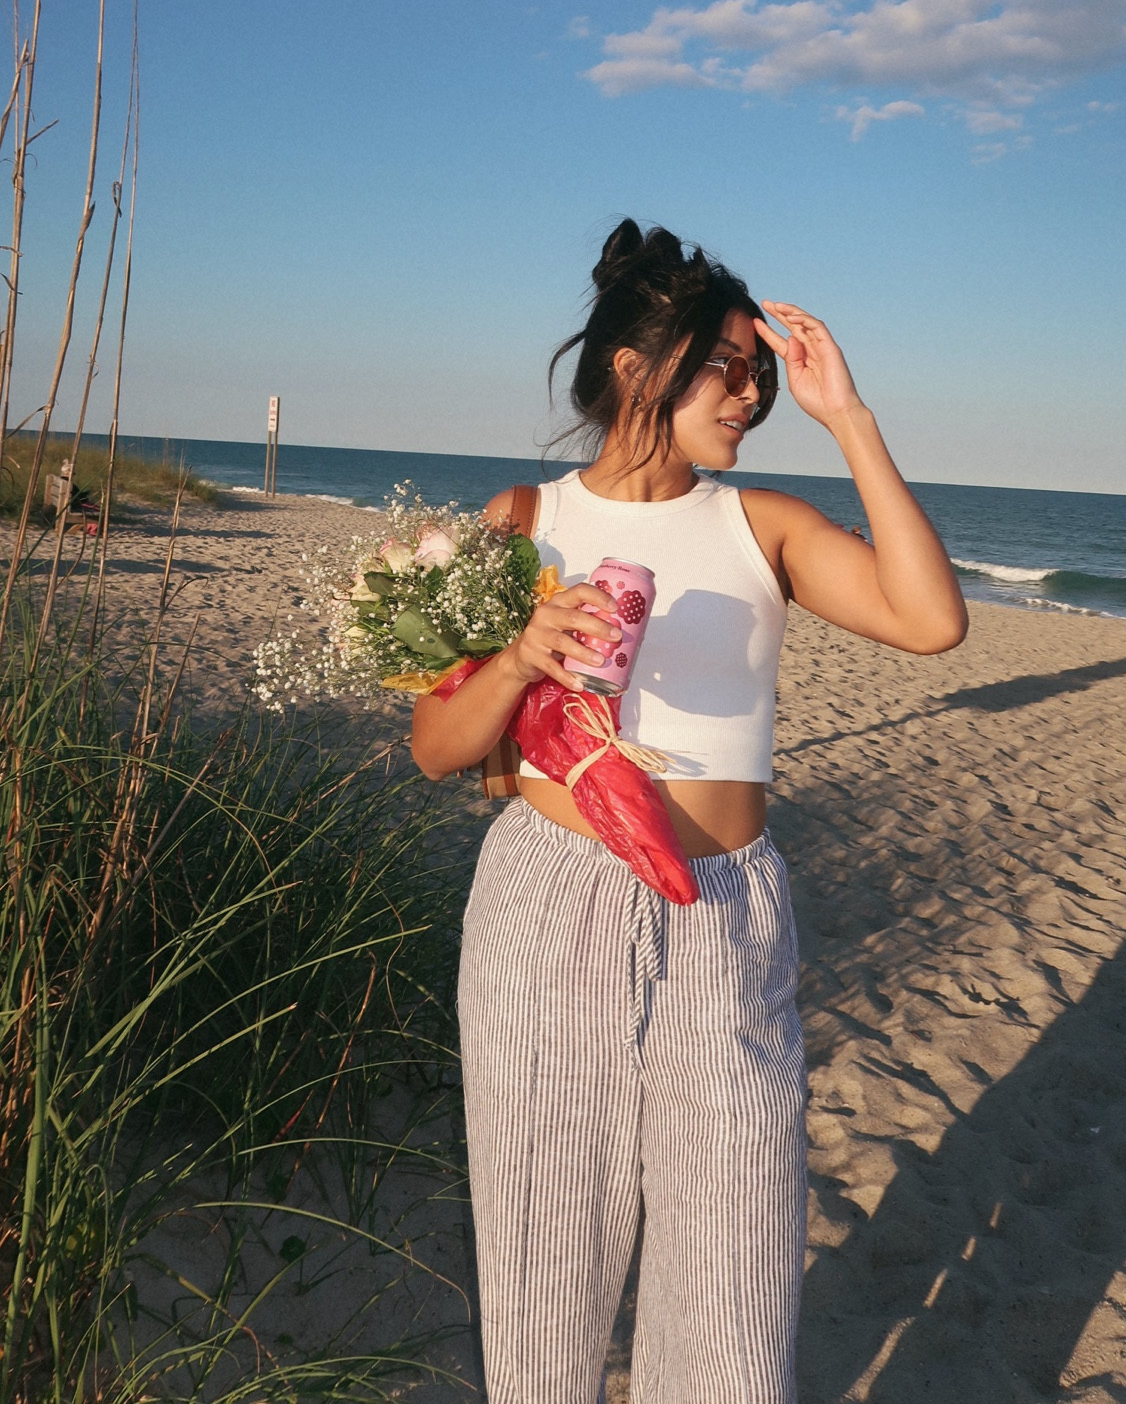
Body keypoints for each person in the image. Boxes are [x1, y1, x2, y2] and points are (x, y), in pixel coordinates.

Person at [411, 220, 967, 1404]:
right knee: (545, 1264)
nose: (752, 392)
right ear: (635, 366)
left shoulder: (759, 523)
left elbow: (930, 620)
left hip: (725, 909)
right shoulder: (521, 521)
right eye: (728, 365)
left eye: (758, 371)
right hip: (549, 898)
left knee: (735, 1273)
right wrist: (518, 656)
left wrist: (848, 418)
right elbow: (434, 747)